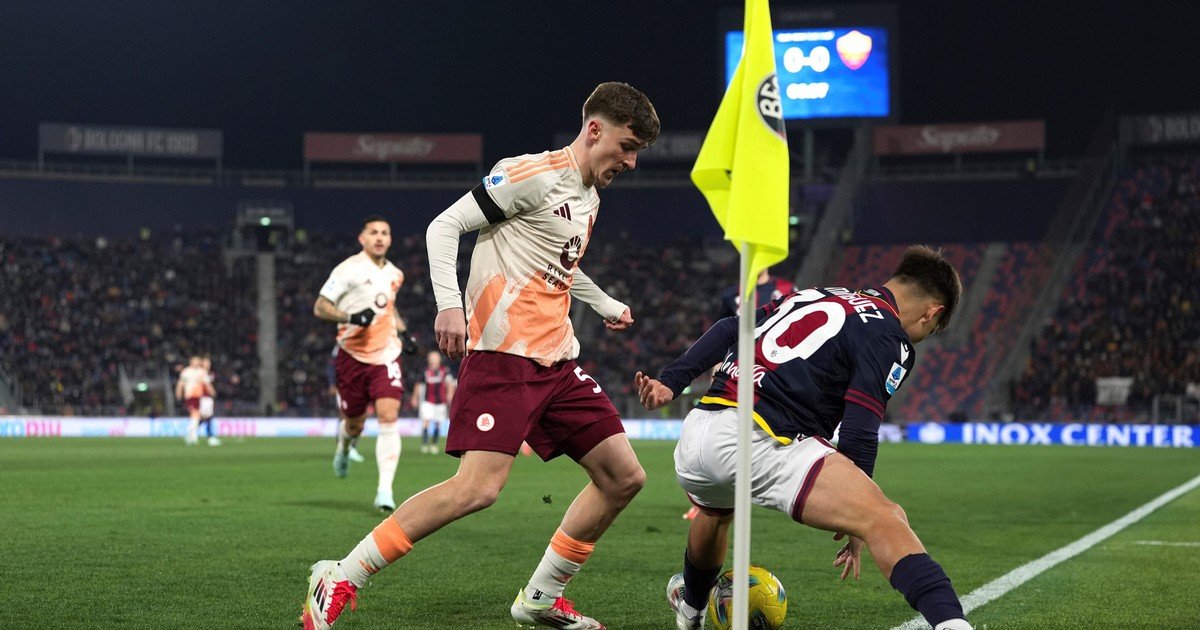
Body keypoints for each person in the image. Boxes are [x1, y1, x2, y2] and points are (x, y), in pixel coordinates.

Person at [302, 81, 660, 630]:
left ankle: (540, 597)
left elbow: (558, 263)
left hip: (558, 361)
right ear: (594, 130)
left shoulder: (589, 195)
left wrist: (604, 302)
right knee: (477, 489)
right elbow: (444, 226)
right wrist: (449, 306)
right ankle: (341, 574)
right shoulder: (530, 174)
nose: (631, 162)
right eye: (627, 146)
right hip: (503, 357)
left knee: (624, 477)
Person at [635, 246, 973, 630]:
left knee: (715, 513)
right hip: (760, 437)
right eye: (930, 330)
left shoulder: (818, 293)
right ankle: (953, 625)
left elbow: (730, 328)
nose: (922, 336)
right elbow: (860, 430)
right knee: (888, 518)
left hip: (699, 430)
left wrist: (672, 380)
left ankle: (692, 609)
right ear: (932, 312)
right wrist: (858, 517)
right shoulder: (888, 334)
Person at [313, 215, 410, 512]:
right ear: (362, 238)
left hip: (386, 354)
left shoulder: (395, 274)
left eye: (385, 233)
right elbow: (320, 307)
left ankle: (384, 491)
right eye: (373, 232)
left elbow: (388, 307)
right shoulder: (347, 269)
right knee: (354, 423)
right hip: (352, 356)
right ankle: (344, 447)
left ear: (390, 239)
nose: (379, 237)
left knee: (388, 416)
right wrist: (351, 317)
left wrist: (404, 332)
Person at [410, 350, 455, 454]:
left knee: (438, 423)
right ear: (428, 359)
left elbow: (450, 383)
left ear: (439, 359)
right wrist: (414, 398)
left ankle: (434, 444)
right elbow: (418, 384)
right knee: (426, 421)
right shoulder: (425, 371)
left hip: (441, 402)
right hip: (427, 401)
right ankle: (425, 444)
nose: (433, 359)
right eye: (432, 357)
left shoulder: (445, 370)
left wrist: (450, 394)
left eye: (435, 357)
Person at [326, 346, 365, 463]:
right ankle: (343, 447)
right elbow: (331, 366)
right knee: (344, 415)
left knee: (360, 416)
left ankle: (352, 447)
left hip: (359, 385)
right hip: (344, 386)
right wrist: (332, 383)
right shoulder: (341, 345)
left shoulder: (364, 344)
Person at [176, 355, 214, 446]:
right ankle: (192, 436)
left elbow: (207, 383)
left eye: (198, 361)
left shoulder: (202, 372)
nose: (197, 362)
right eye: (195, 361)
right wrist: (178, 394)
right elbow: (180, 384)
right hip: (190, 396)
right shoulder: (186, 371)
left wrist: (212, 392)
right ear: (191, 362)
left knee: (200, 415)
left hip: (200, 397)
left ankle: (192, 434)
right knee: (195, 414)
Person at [198, 356, 220, 446]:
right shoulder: (200, 373)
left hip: (208, 398)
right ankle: (210, 436)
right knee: (207, 417)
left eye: (209, 363)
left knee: (207, 417)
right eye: (206, 363)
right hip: (203, 397)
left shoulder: (211, 373)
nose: (208, 365)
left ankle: (194, 431)